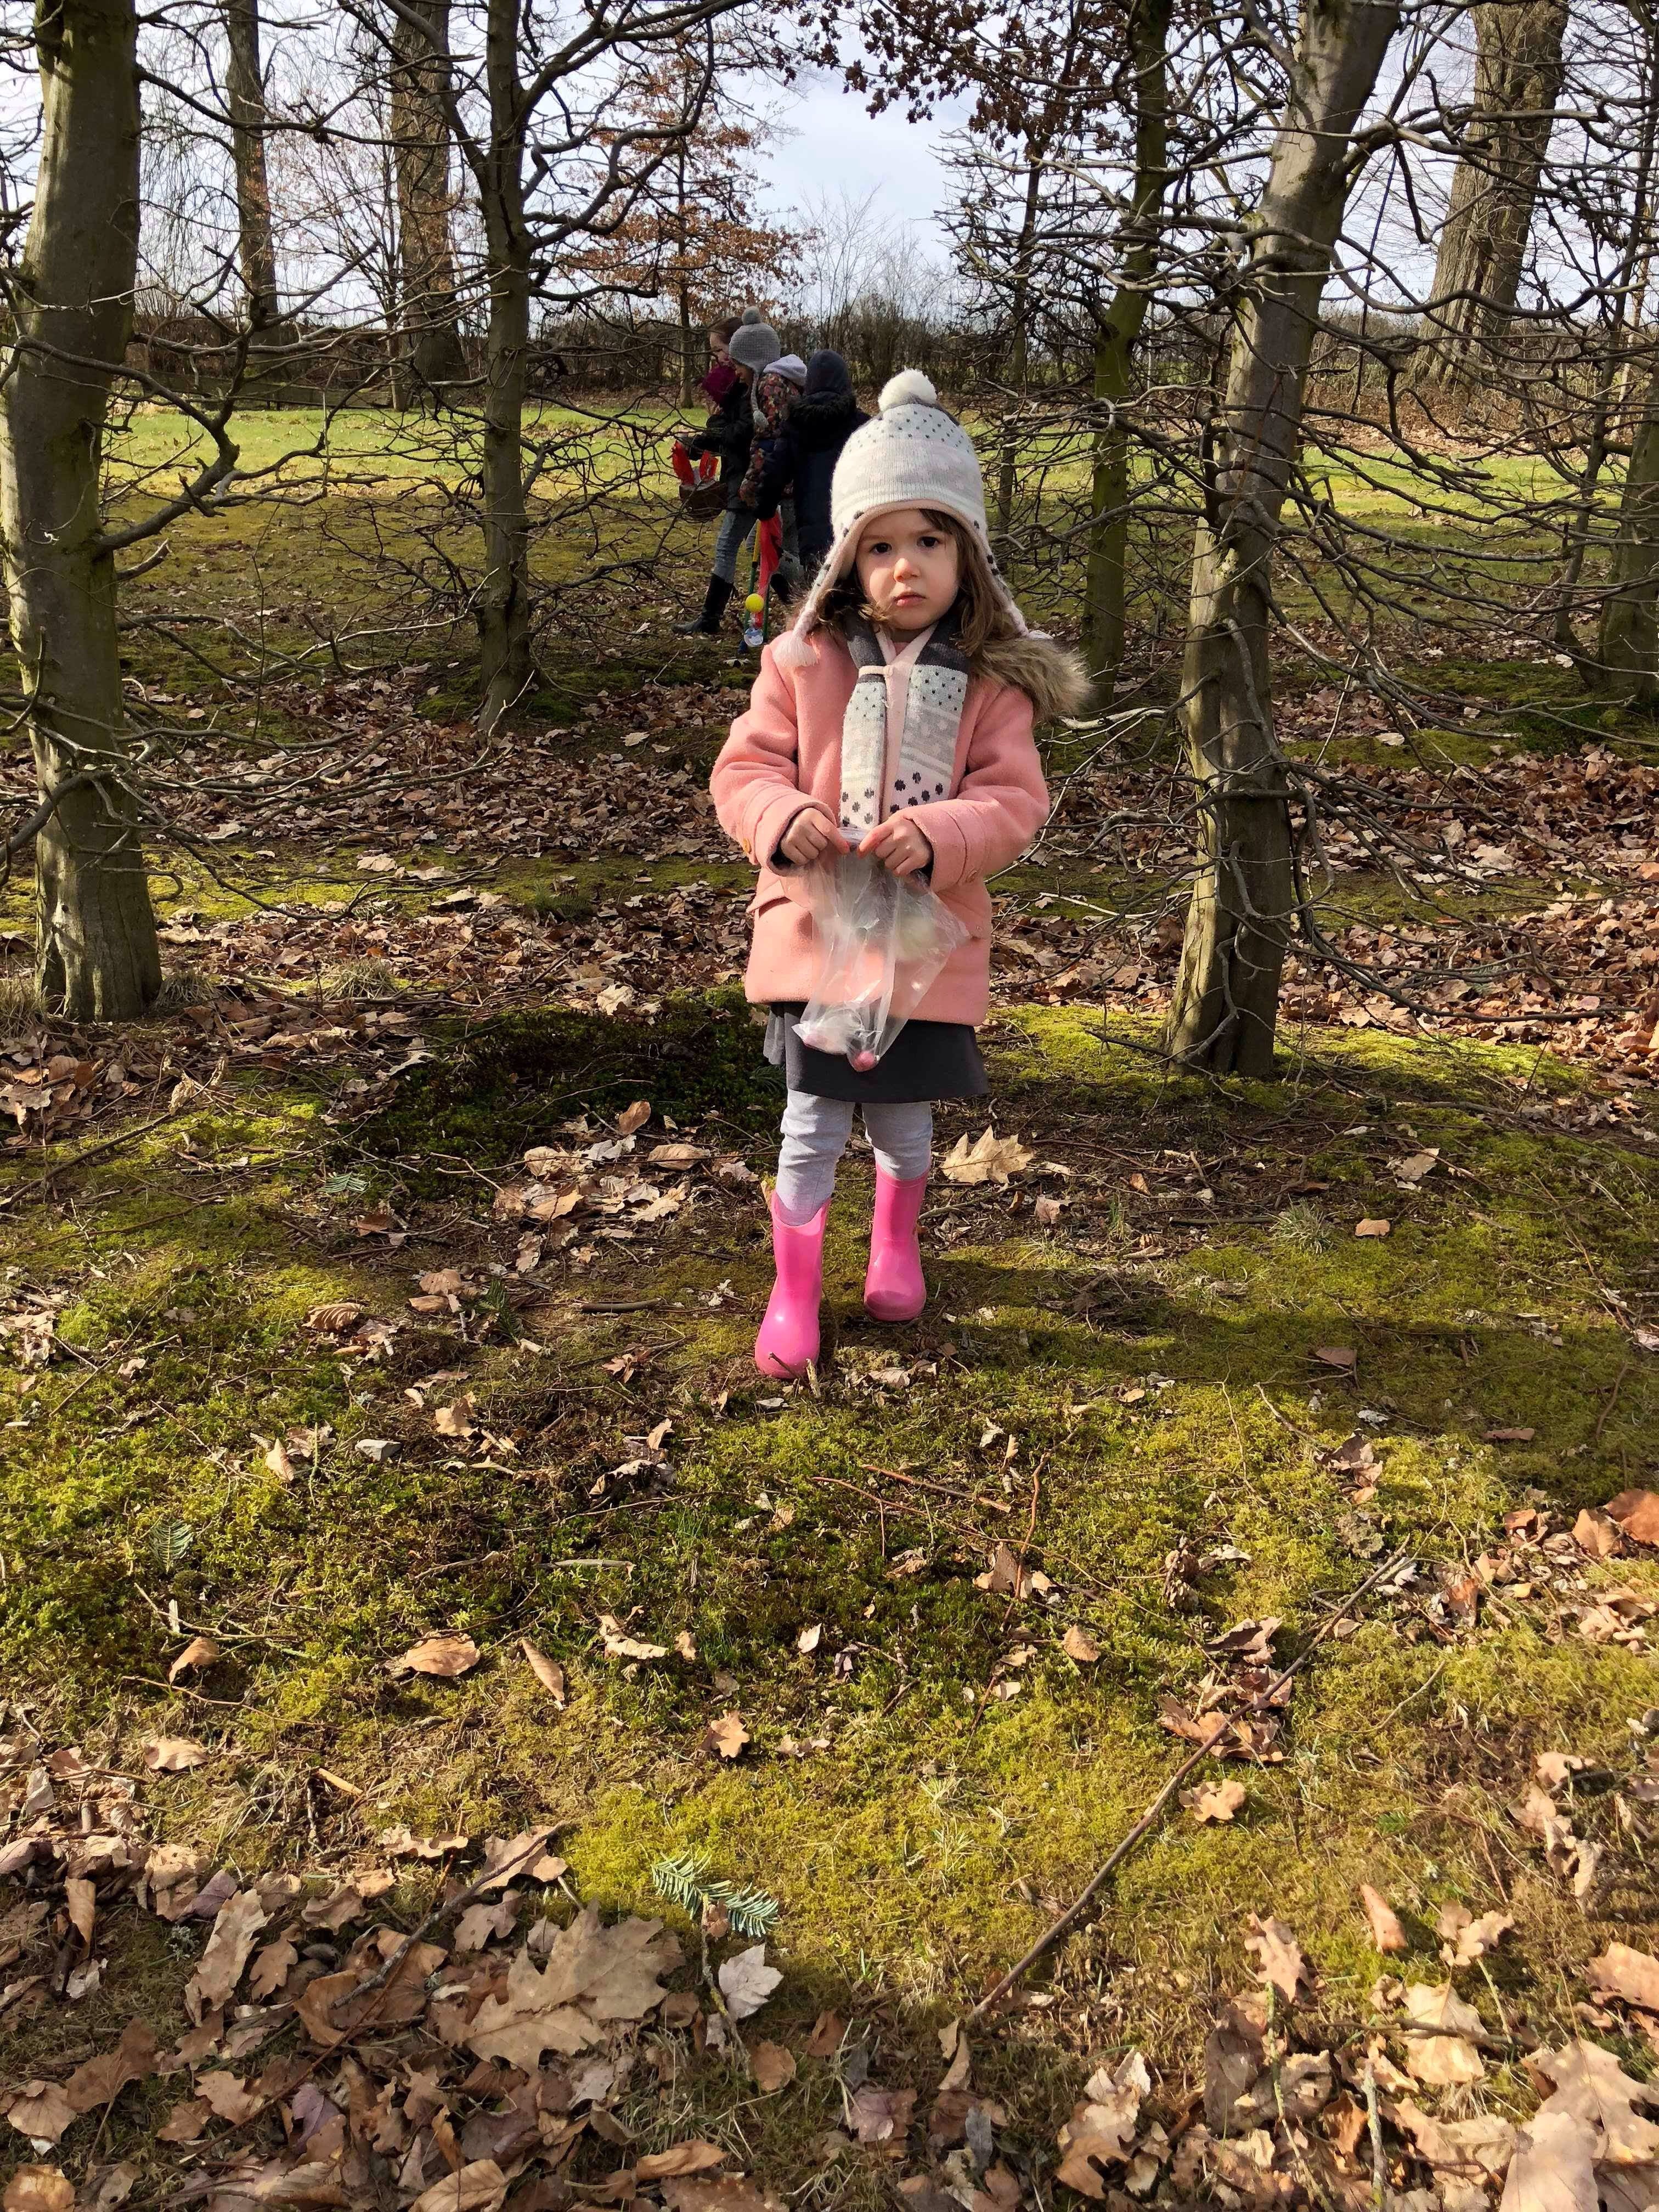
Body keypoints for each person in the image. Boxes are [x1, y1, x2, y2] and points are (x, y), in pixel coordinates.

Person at [710, 370, 1088, 1378]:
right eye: (879, 546)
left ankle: (893, 1245)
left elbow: (1014, 801)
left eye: (929, 539)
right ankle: (793, 1291)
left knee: (903, 1119)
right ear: (847, 557)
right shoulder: (802, 662)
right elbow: (743, 770)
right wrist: (780, 817)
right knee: (809, 1121)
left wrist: (940, 833)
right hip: (817, 934)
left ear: (969, 554)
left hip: (922, 944)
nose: (904, 566)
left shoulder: (993, 685)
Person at [676, 307, 780, 639]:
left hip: (750, 479)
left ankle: (711, 618)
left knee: (734, 547)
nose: (719, 358)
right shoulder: (739, 385)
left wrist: (712, 437)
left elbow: (743, 431)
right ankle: (803, 607)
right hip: (741, 476)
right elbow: (726, 426)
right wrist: (701, 441)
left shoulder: (754, 388)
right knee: (765, 548)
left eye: (719, 350)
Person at [752, 349, 867, 578]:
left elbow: (774, 473)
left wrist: (764, 509)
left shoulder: (795, 425)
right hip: (856, 527)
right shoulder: (861, 424)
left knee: (818, 588)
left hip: (813, 532)